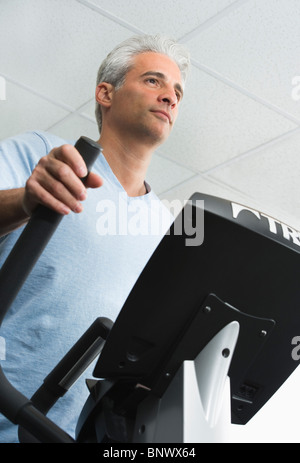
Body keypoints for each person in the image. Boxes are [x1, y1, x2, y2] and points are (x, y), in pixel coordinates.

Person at [0, 34, 190, 442]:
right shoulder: (44, 155)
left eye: (177, 91)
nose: (170, 97)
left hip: (80, 432)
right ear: (106, 92)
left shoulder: (165, 227)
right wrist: (28, 199)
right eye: (154, 81)